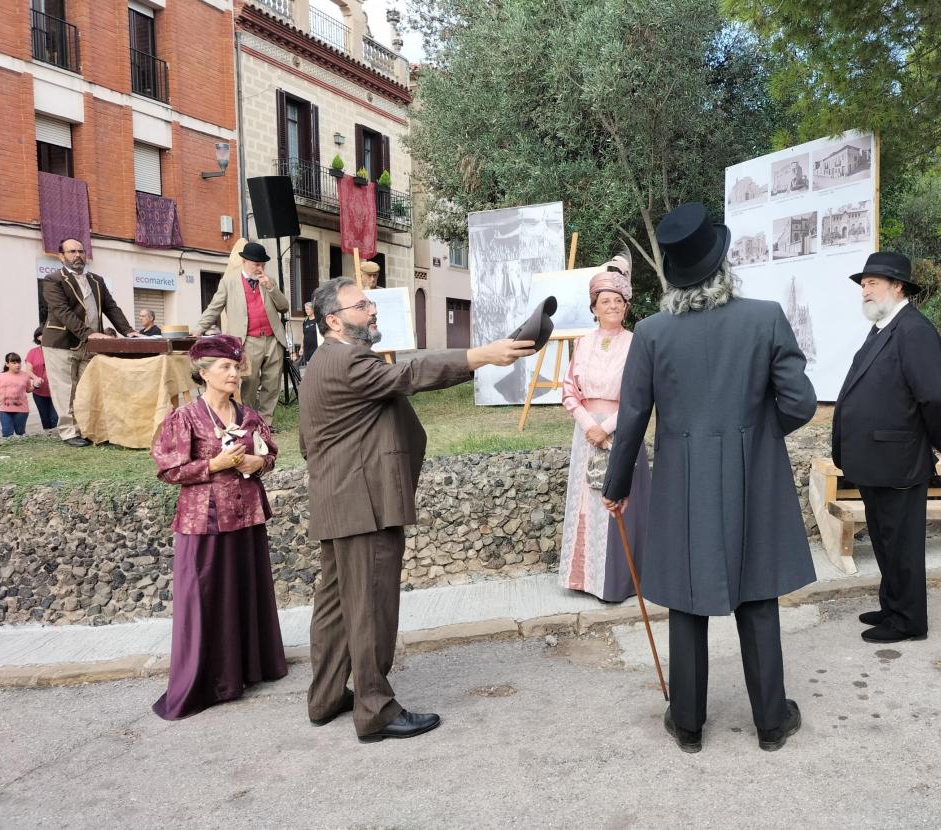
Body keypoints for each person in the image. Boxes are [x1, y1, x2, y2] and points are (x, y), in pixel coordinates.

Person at [602, 203, 817, 754]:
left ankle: (689, 724)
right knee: (757, 595)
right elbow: (800, 402)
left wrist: (616, 486)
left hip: (683, 481)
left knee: (687, 601)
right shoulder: (765, 316)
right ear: (723, 269)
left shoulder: (649, 333)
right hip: (752, 477)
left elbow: (631, 420)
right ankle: (771, 723)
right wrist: (755, 436)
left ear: (673, 278)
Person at [300, 276, 535, 743]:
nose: (372, 310)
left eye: (369, 303)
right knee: (369, 608)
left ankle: (326, 697)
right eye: (361, 305)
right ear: (334, 320)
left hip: (338, 500)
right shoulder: (347, 361)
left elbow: (310, 443)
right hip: (364, 503)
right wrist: (481, 355)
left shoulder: (322, 361)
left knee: (335, 607)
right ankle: (375, 710)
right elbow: (408, 374)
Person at [150, 334, 287, 719]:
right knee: (205, 596)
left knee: (247, 590)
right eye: (226, 367)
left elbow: (270, 453)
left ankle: (248, 668)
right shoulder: (186, 418)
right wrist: (214, 465)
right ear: (203, 373)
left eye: (236, 366)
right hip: (203, 521)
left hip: (246, 515)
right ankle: (211, 678)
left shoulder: (247, 415)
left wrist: (255, 465)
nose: (234, 373)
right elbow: (168, 469)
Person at [831, 251, 941, 644]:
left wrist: (926, 443)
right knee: (885, 540)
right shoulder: (883, 327)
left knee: (901, 544)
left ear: (897, 286)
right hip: (877, 460)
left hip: (899, 459)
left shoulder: (914, 330)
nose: (864, 291)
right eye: (863, 284)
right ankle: (893, 605)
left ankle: (909, 620)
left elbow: (934, 399)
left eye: (872, 283)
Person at [558, 255, 649, 601]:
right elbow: (569, 390)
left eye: (617, 301)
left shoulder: (637, 344)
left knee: (617, 502)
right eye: (604, 301)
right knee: (587, 501)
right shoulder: (582, 343)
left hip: (622, 433)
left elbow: (640, 395)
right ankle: (585, 579)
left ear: (626, 307)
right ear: (594, 308)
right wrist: (588, 424)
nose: (611, 306)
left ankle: (618, 583)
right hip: (586, 435)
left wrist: (608, 427)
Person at [41, 237, 139, 447]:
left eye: (80, 251)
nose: (78, 255)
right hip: (60, 343)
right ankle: (69, 432)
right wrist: (89, 333)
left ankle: (89, 429)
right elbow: (62, 312)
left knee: (88, 388)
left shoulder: (96, 280)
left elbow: (111, 307)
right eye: (72, 252)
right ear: (61, 256)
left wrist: (128, 331)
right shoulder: (53, 280)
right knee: (66, 390)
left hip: (92, 344)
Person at [193, 241, 289, 426]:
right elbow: (214, 308)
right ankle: (249, 419)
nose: (260, 268)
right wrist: (198, 328)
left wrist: (270, 287)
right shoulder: (229, 282)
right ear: (244, 261)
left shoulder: (269, 281)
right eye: (256, 264)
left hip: (272, 338)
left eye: (263, 264)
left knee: (272, 382)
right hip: (248, 341)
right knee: (249, 382)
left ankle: (266, 423)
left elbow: (284, 307)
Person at [0, 353, 41, 438]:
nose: (17, 365)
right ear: (7, 364)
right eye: (14, 363)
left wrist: (36, 385)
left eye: (19, 362)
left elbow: (28, 390)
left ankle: (20, 450)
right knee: (7, 434)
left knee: (20, 433)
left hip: (21, 410)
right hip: (4, 410)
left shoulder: (25, 375)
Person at [24, 327, 58, 432]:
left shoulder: (56, 351)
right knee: (45, 419)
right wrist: (35, 378)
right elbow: (28, 370)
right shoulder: (32, 352)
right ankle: (48, 440)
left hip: (55, 391)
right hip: (39, 392)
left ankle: (56, 438)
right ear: (38, 337)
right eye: (44, 334)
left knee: (55, 419)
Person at [301, 301, 320, 365]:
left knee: (316, 366)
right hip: (307, 348)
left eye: (308, 309)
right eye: (305, 309)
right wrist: (301, 347)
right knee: (308, 366)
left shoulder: (318, 320)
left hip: (316, 348)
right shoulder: (305, 320)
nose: (306, 311)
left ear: (312, 309)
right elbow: (303, 335)